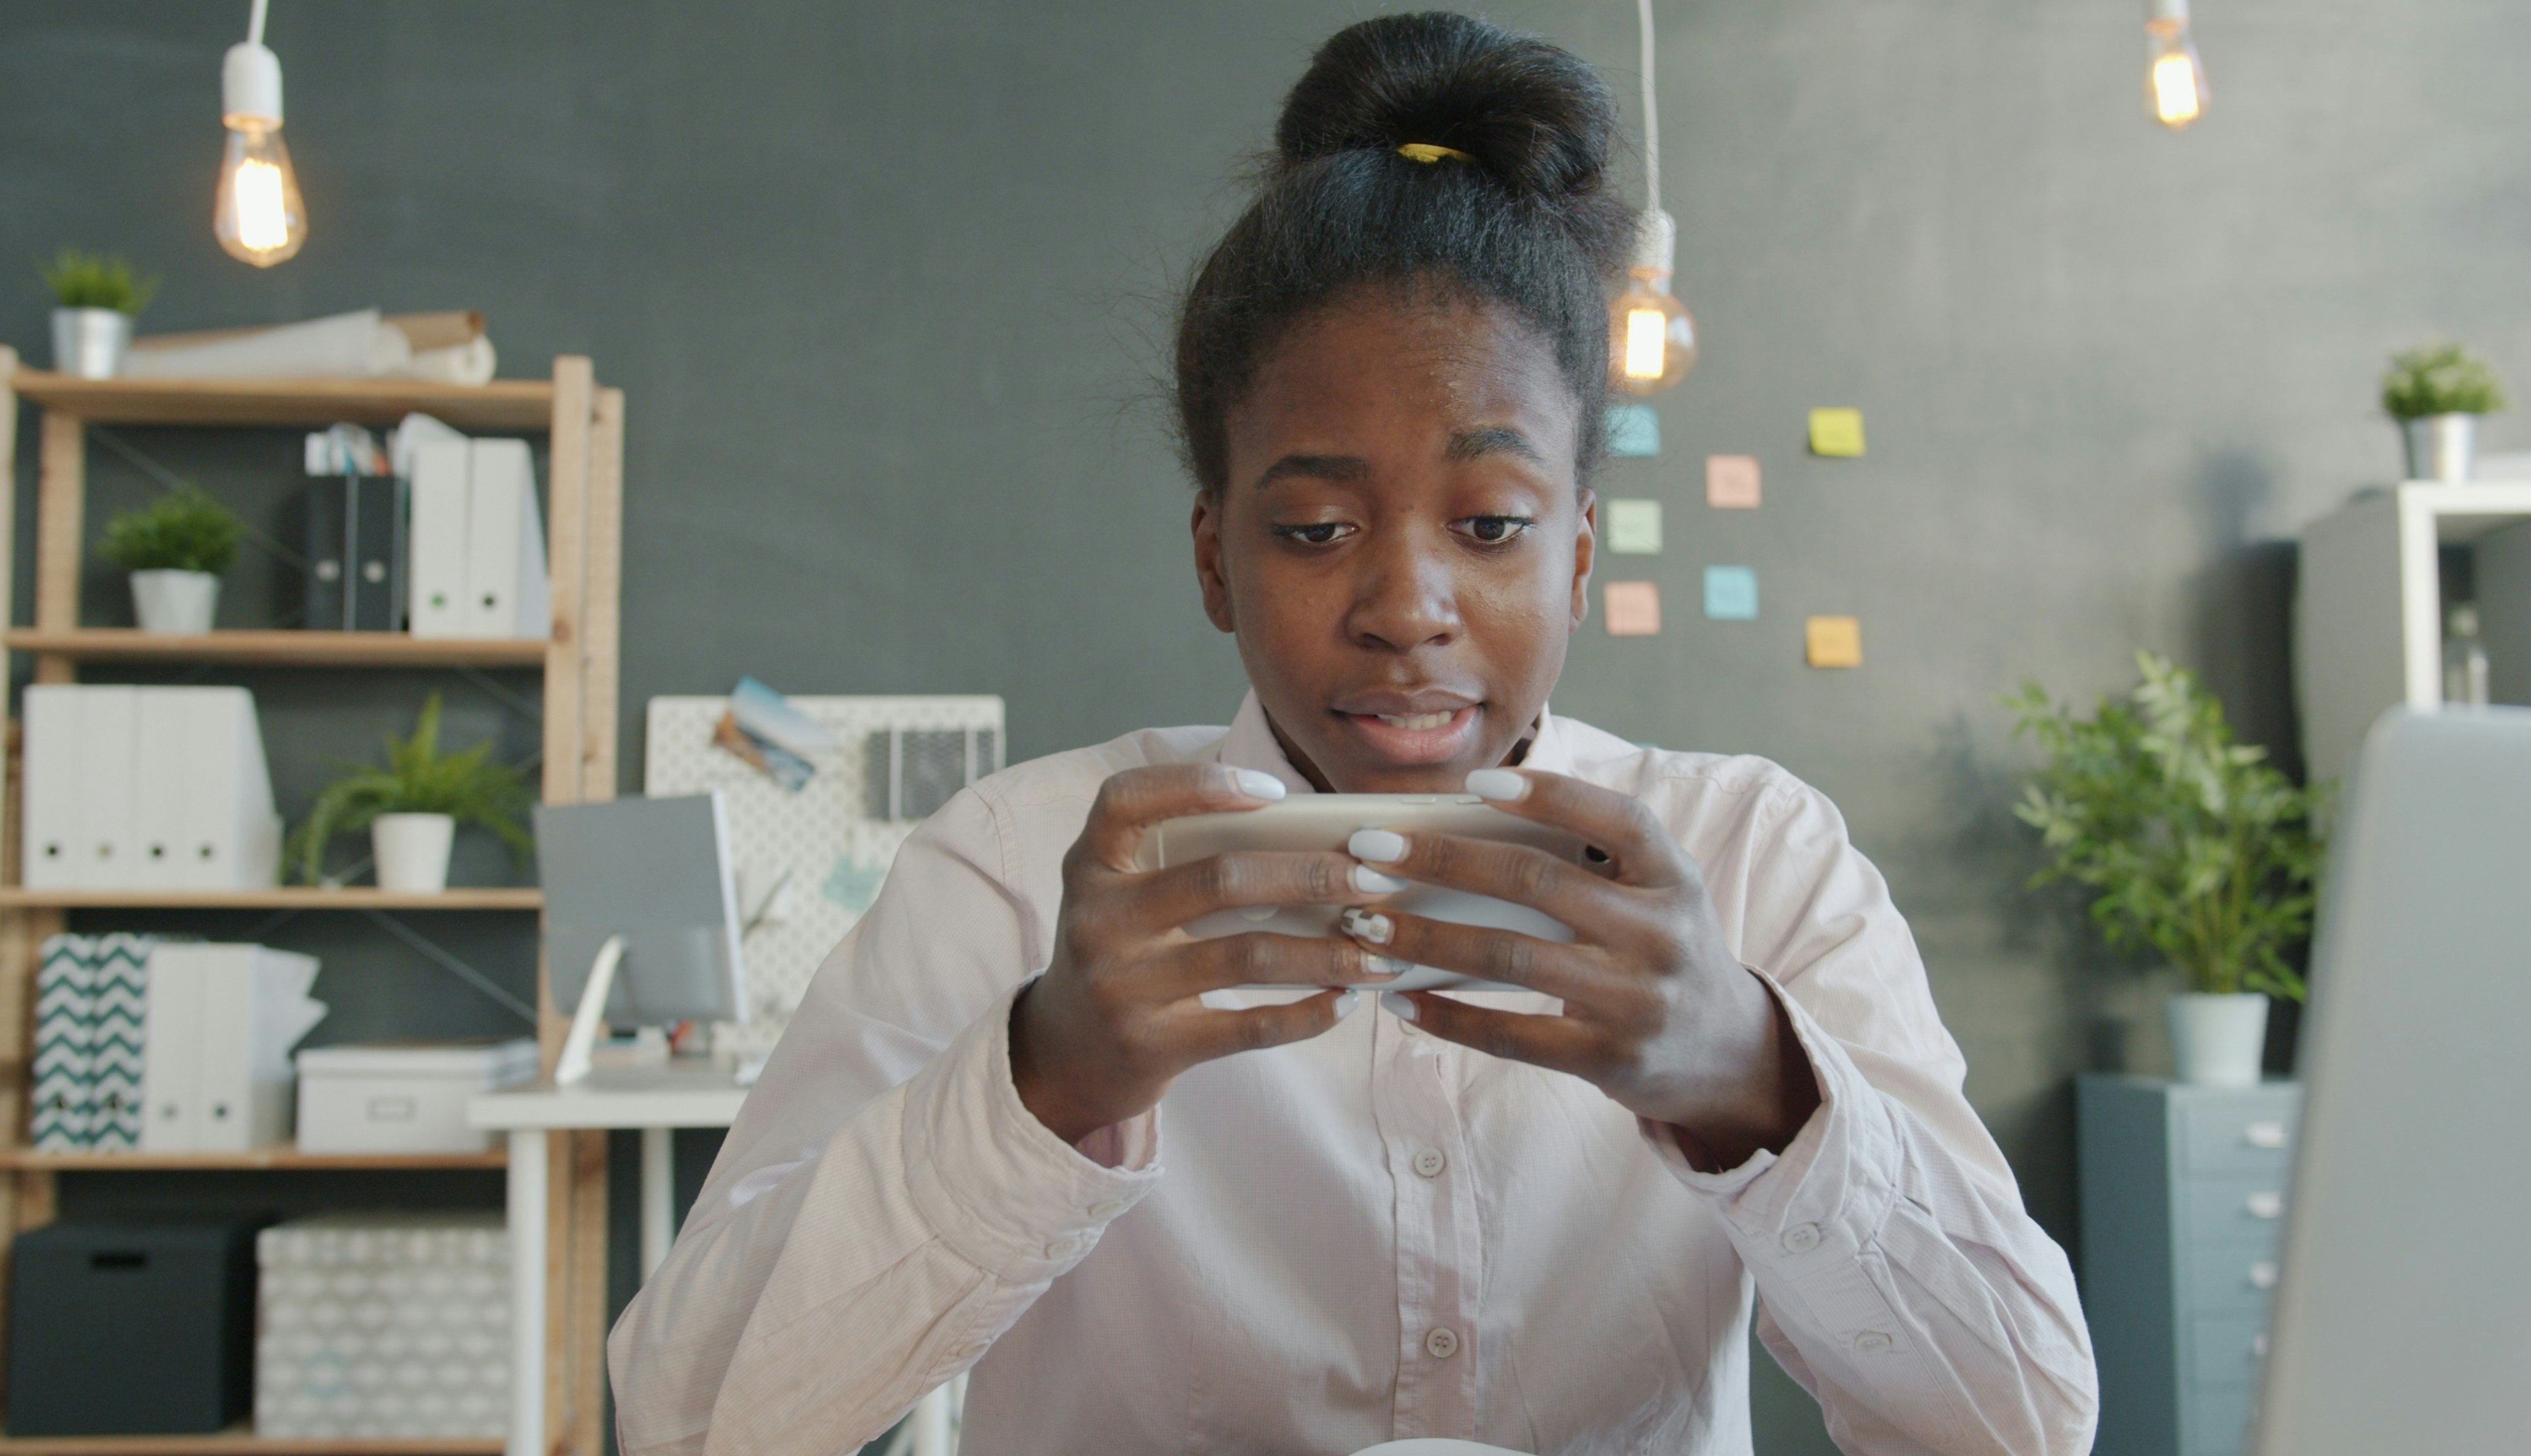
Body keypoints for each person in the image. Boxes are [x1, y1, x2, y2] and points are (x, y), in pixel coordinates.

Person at [607, 13, 2094, 1455]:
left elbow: (2025, 1425)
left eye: (1492, 525)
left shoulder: (1752, 860)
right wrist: (1043, 1080)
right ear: (1216, 560)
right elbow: (686, 1422)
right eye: (1317, 528)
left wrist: (1754, 1081)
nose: (1405, 609)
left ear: (1578, 557)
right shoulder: (1017, 870)